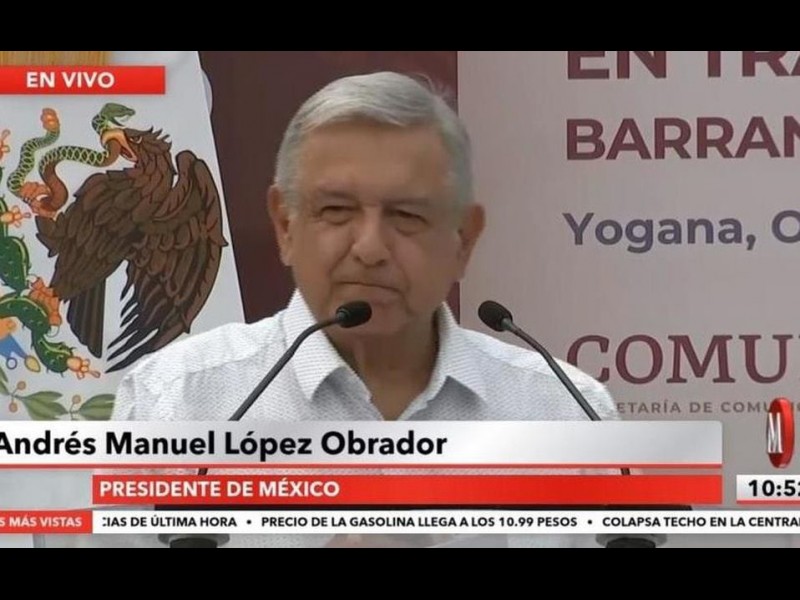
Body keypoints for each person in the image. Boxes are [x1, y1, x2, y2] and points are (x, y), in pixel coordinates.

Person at [112, 71, 619, 547]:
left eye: (407, 215)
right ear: (285, 226)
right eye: (336, 211)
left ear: (463, 239)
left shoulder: (566, 413)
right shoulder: (178, 403)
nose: (370, 248)